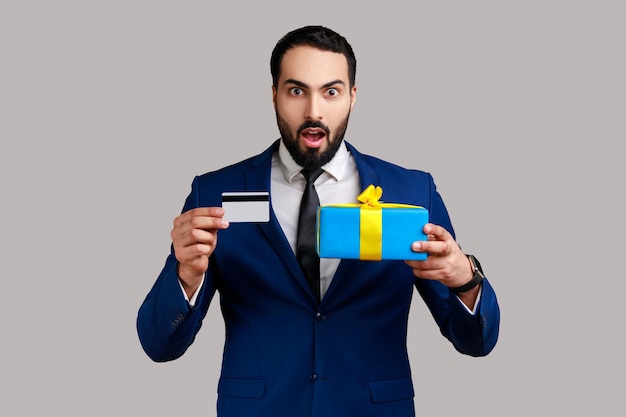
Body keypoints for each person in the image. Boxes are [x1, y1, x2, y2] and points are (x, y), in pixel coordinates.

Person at [137, 25, 500, 417]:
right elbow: (160, 346)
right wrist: (185, 275)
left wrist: (466, 277)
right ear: (274, 95)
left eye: (331, 91)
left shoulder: (413, 192)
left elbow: (475, 343)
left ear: (352, 97)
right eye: (297, 91)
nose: (314, 111)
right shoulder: (214, 193)